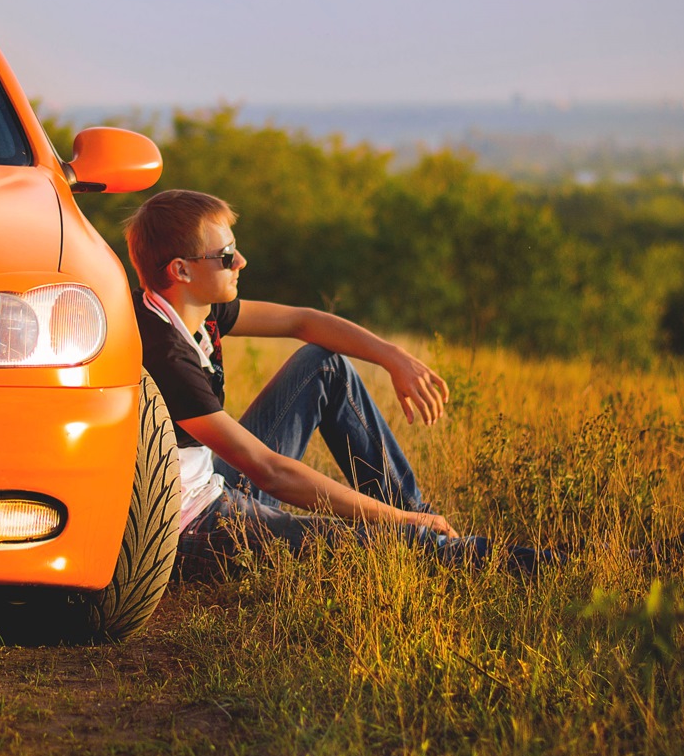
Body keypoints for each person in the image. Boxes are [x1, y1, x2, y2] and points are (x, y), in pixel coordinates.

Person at [124, 189, 551, 572]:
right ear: (181, 270)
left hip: (213, 483)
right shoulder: (164, 352)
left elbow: (302, 322)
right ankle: (535, 565)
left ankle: (421, 520)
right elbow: (271, 473)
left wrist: (392, 357)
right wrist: (399, 524)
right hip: (190, 530)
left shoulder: (194, 307)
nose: (241, 261)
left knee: (324, 366)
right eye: (225, 255)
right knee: (389, 542)